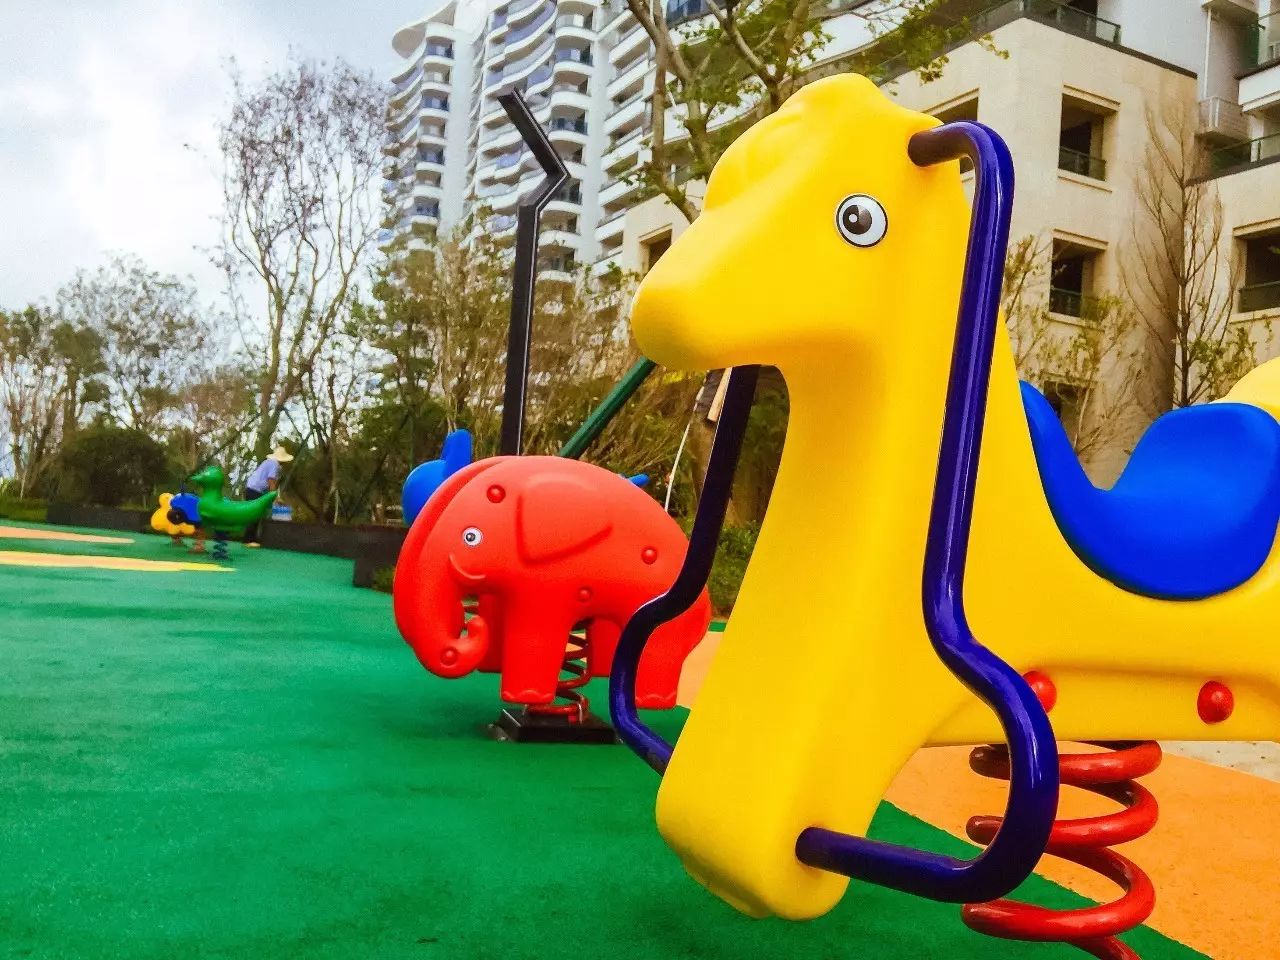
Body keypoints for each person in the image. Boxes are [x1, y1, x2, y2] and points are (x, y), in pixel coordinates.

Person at [242, 445, 293, 546]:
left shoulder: (268, 462)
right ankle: (248, 540)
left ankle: (251, 538)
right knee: (254, 514)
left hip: (251, 488)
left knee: (256, 513)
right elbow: (271, 480)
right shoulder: (274, 464)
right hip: (254, 490)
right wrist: (274, 496)